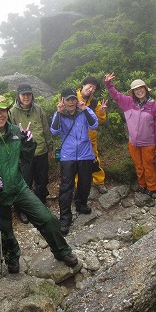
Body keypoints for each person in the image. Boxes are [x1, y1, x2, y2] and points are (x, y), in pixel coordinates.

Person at [0, 95, 78, 273]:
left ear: (7, 113)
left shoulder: (14, 132)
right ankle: (12, 258)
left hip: (18, 187)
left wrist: (28, 142)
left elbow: (26, 158)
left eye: (2, 110)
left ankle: (62, 251)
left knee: (47, 218)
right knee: (4, 230)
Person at [104, 75, 156, 199]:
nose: (139, 91)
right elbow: (116, 95)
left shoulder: (154, 106)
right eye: (136, 89)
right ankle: (142, 185)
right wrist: (108, 84)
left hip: (149, 142)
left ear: (145, 89)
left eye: (141, 88)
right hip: (133, 142)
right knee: (138, 165)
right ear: (133, 92)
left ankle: (152, 188)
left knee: (149, 166)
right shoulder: (128, 102)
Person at [50, 87, 99, 236]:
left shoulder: (84, 111)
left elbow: (94, 125)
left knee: (85, 182)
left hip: (85, 154)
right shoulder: (59, 114)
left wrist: (84, 109)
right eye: (67, 99)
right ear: (63, 101)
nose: (71, 102)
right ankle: (65, 218)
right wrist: (58, 113)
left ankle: (80, 204)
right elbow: (54, 131)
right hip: (68, 155)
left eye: (73, 99)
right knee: (66, 187)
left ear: (76, 100)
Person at [8, 83, 54, 223]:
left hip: (41, 151)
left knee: (42, 181)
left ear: (32, 95)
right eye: (23, 94)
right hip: (24, 155)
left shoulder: (38, 109)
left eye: (28, 94)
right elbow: (9, 135)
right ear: (18, 96)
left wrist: (50, 147)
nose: (26, 97)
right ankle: (22, 210)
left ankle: (40, 206)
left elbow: (45, 129)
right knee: (25, 184)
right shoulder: (12, 112)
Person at [76, 76, 109, 194]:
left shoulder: (95, 103)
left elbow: (98, 121)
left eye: (94, 88)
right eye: (89, 86)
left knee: (95, 160)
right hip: (76, 140)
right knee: (77, 162)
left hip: (90, 139)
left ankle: (99, 182)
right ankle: (78, 185)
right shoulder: (73, 99)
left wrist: (101, 113)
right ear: (83, 85)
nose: (91, 90)